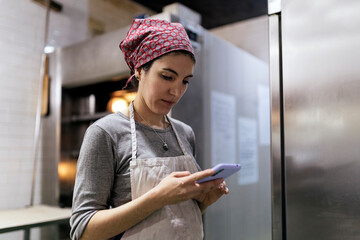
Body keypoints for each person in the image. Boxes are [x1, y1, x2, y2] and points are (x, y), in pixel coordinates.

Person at [70, 18, 229, 240]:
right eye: (167, 76)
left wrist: (201, 204)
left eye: (185, 81)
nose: (176, 91)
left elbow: (173, 219)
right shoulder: (105, 133)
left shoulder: (185, 134)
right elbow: (83, 231)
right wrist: (158, 197)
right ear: (139, 70)